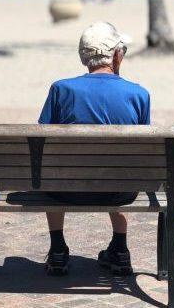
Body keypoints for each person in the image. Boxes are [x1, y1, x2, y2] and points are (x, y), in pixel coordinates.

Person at [38, 22, 150, 277]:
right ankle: (120, 249)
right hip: (119, 192)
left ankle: (57, 249)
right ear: (116, 55)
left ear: (84, 57)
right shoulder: (139, 95)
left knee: (52, 169)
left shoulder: (61, 89)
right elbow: (140, 154)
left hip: (66, 191)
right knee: (122, 166)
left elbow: (42, 140)